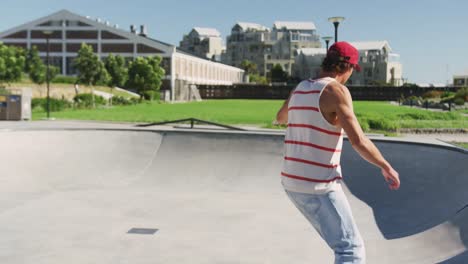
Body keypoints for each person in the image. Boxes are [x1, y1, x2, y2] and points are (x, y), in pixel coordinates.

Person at [276, 41, 400, 263]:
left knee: (341, 244)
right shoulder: (336, 91)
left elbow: (280, 118)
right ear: (347, 67)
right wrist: (385, 165)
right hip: (319, 186)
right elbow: (359, 141)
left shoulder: (301, 87)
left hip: (292, 183)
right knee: (350, 249)